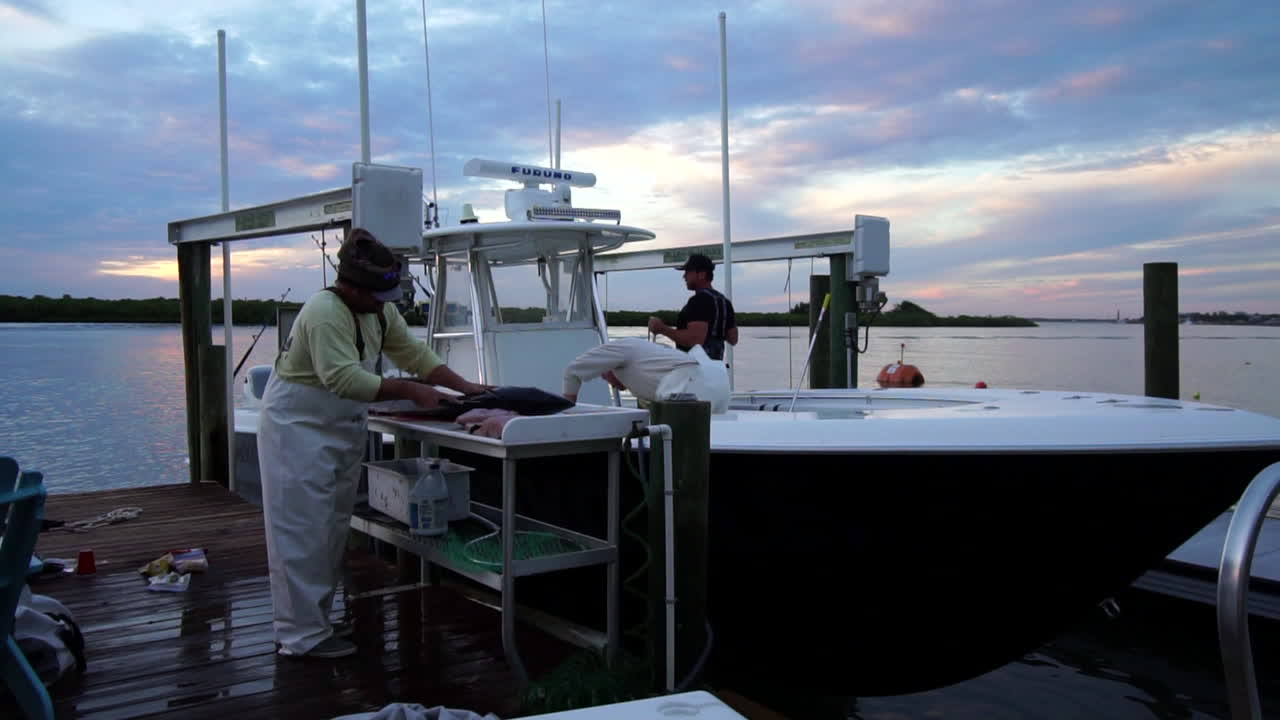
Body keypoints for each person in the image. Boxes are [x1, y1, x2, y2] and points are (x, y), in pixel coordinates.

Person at [256, 228, 487, 659]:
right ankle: (299, 636)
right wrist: (413, 391)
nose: (385, 302)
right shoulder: (325, 311)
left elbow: (415, 356)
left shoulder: (377, 312)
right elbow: (341, 377)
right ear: (350, 286)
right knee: (300, 532)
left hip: (338, 427)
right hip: (296, 428)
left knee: (328, 529)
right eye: (378, 294)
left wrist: (466, 388)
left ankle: (316, 623)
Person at [562, 337, 729, 413]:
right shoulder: (651, 360)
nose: (612, 386)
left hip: (688, 387)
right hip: (716, 386)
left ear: (608, 364)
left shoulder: (621, 348)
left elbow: (572, 371)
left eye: (605, 377)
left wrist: (566, 410)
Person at [647, 253, 738, 361]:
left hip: (695, 371)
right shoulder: (724, 302)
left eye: (688, 272)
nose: (684, 276)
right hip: (715, 370)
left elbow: (694, 340)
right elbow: (733, 339)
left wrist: (662, 329)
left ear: (701, 274)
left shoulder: (698, 300)